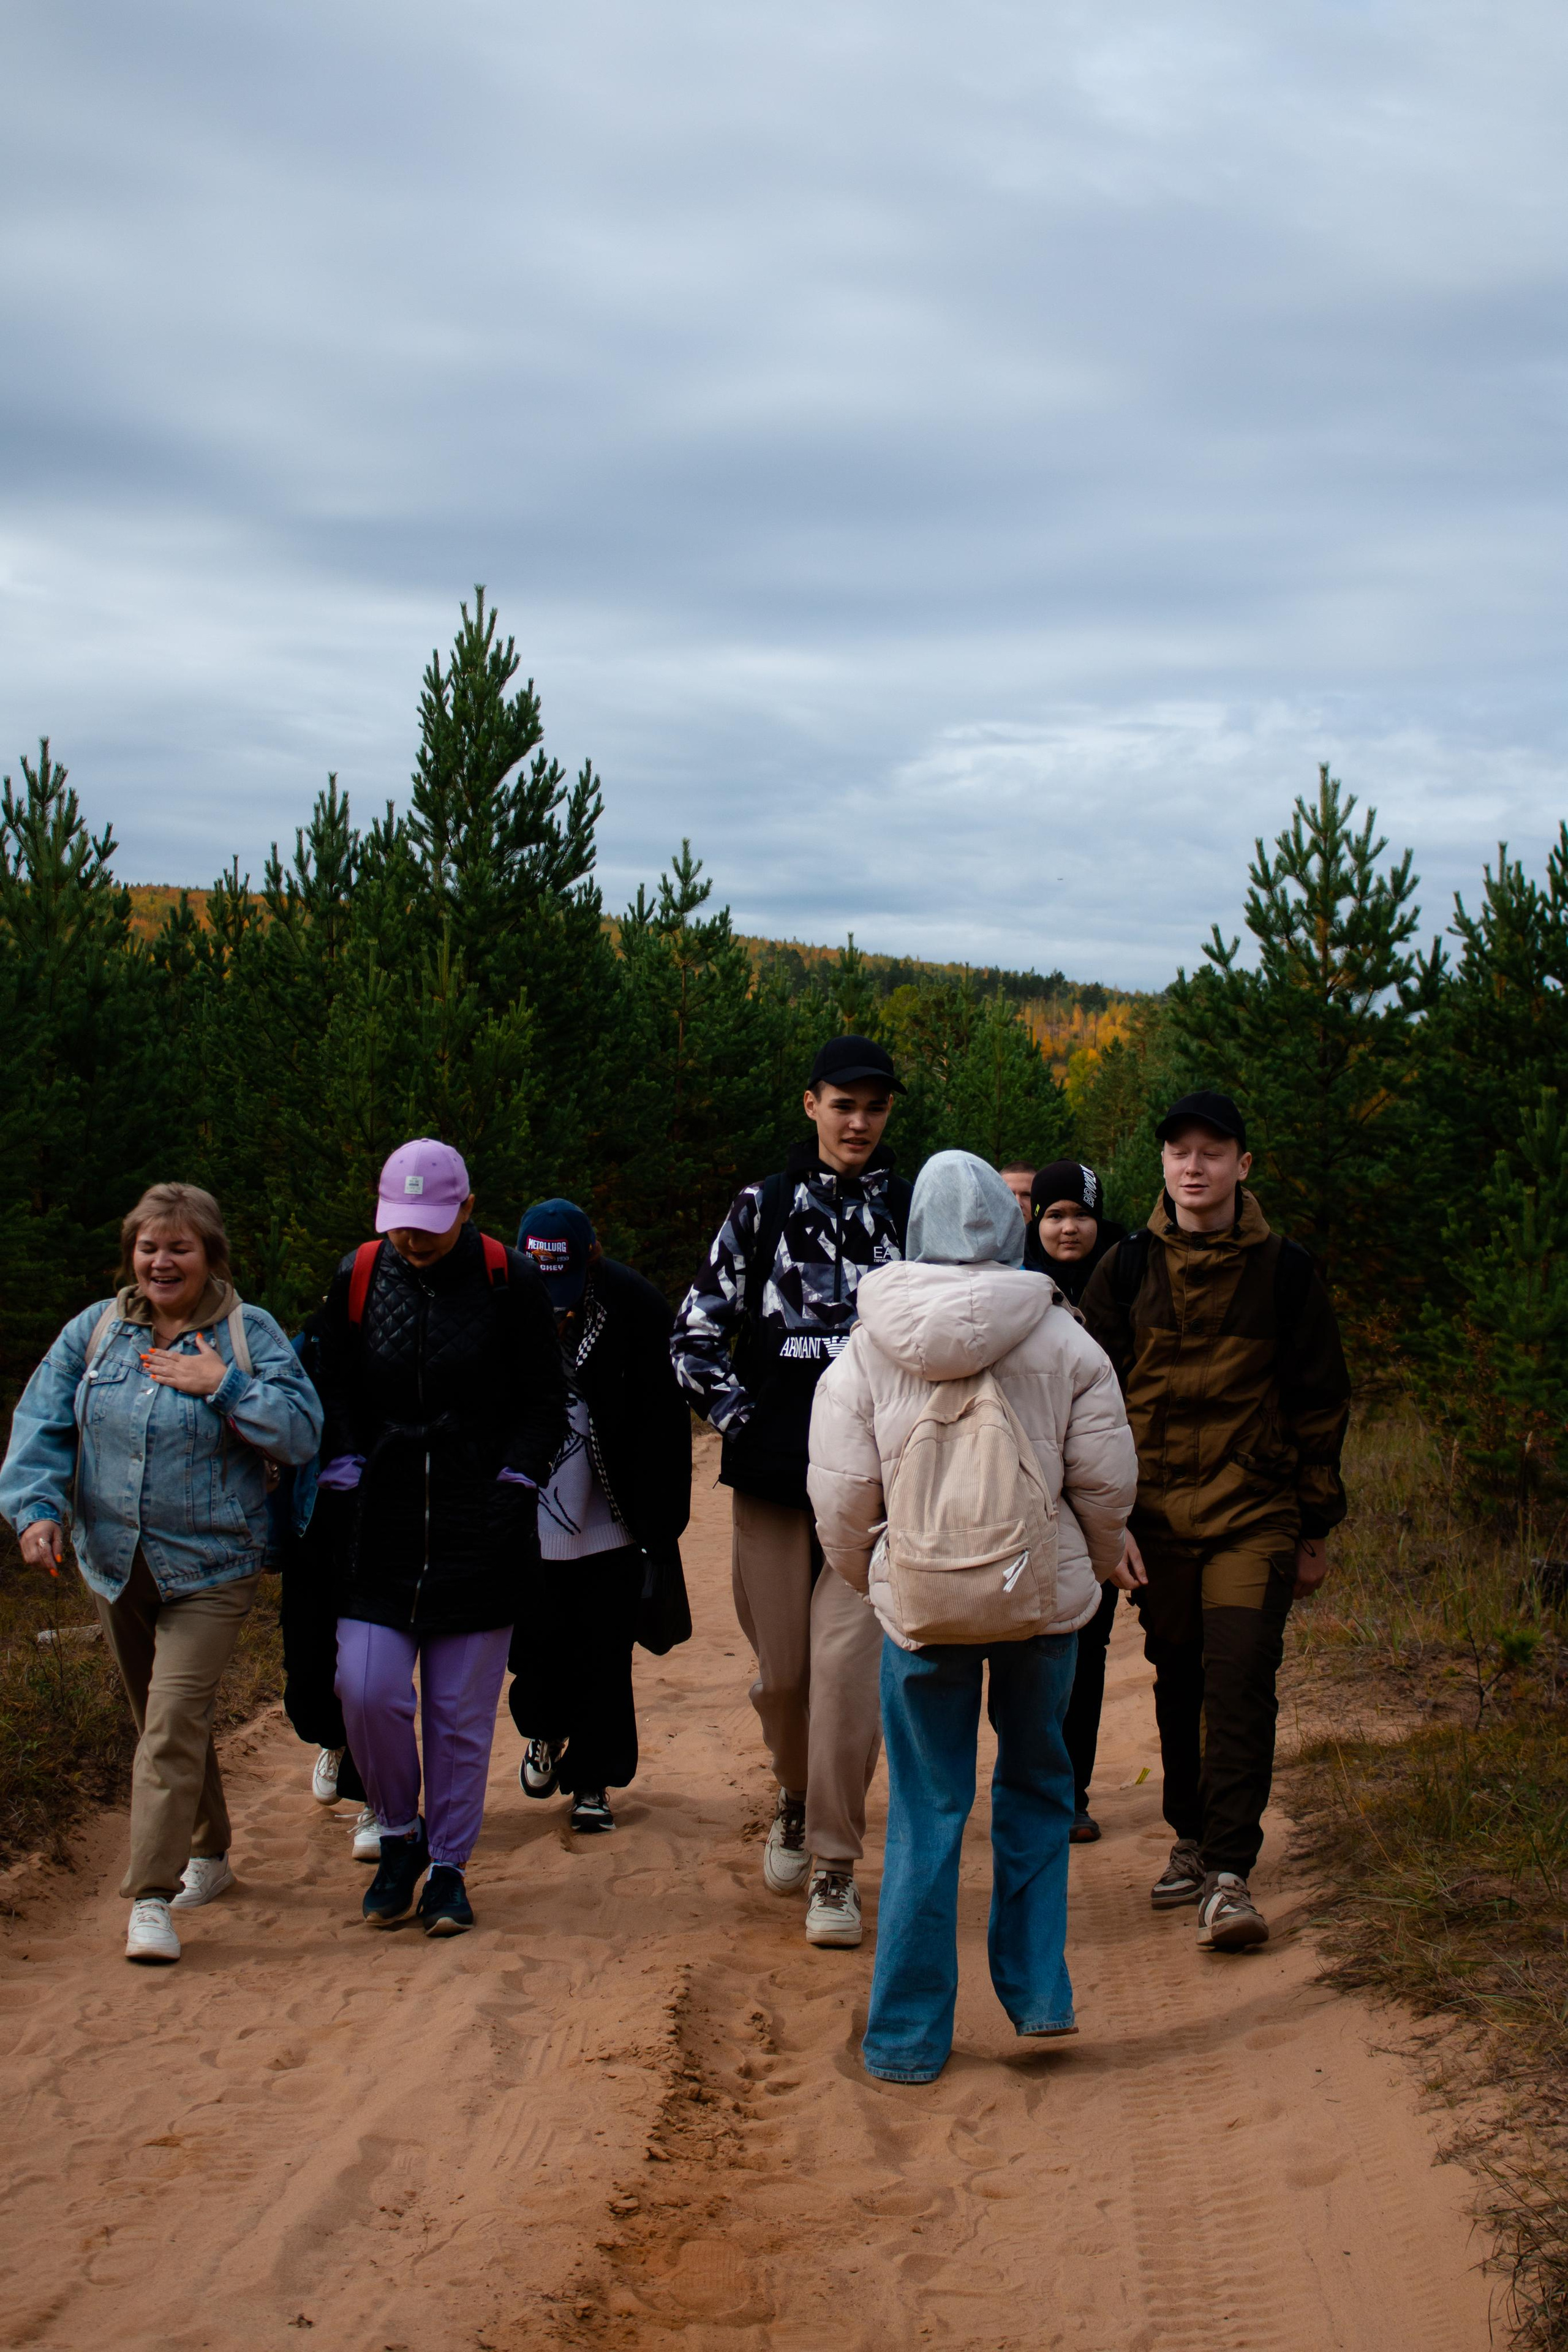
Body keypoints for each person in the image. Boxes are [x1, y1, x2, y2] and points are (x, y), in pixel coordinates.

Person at [808, 1151, 1137, 2082]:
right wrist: (1096, 1571)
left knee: (926, 1807)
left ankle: (907, 2038)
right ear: (1008, 1224)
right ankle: (1037, 1998)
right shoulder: (1065, 1337)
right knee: (1037, 1789)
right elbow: (1108, 1485)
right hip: (1040, 1607)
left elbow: (839, 1500)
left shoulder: (869, 1343)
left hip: (922, 1607)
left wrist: (878, 1579)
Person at [0, 1183, 323, 1964]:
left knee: (171, 1725)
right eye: (149, 1247)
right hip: (115, 1566)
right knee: (162, 1724)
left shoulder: (249, 1334)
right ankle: (209, 1854)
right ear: (131, 1254)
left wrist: (226, 1386)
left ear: (211, 1254)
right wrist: (37, 1511)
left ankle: (150, 1896)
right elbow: (41, 1425)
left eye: (179, 1247)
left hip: (213, 1565)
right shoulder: (98, 1331)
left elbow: (303, 1431)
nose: (161, 1261)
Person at [1081, 1090, 1351, 1953]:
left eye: (1212, 1151)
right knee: (1181, 1674)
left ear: (1242, 1164)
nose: (1193, 1167)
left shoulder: (1286, 1271)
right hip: (1155, 1517)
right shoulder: (1125, 1269)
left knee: (1240, 1677)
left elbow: (1320, 1403)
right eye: (1178, 1152)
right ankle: (1192, 1840)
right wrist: (1105, 1520)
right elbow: (1084, 1402)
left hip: (1254, 1514)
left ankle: (1231, 1874)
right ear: (1162, 1165)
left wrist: (1313, 1528)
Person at [671, 1034, 911, 1950]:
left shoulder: (910, 1211)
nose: (859, 1121)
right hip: (774, 1489)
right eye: (843, 1104)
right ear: (810, 1105)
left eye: (875, 1107)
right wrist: (748, 1422)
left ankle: (837, 1870)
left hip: (882, 1495)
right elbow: (691, 1337)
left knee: (849, 1681)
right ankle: (798, 1796)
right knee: (786, 1681)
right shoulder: (761, 1208)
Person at [313, 1139, 566, 1937]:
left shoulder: (509, 1280)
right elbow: (330, 1380)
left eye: (429, 1225)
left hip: (478, 1527)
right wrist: (346, 1460)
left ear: (464, 1208)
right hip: (378, 1525)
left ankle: (449, 1868)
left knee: (459, 1717)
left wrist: (515, 1482)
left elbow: (543, 1401)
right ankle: (398, 1835)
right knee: (366, 1687)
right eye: (399, 1226)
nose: (412, 1242)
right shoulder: (357, 1277)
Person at [508, 1198, 692, 1833]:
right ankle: (543, 1732)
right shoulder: (500, 1301)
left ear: (591, 1254)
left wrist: (661, 1529)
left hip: (612, 1517)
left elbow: (667, 1427)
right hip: (529, 1521)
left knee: (604, 1654)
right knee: (535, 1652)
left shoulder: (635, 1307)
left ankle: (593, 1780)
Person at [1025, 1160, 1129, 1842]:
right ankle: (1028, 1781)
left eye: (1080, 1214)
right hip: (1030, 1500)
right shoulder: (1014, 1286)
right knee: (1027, 1653)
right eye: (1054, 1214)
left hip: (1100, 1496)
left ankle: (1071, 1793)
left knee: (1086, 1648)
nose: (1068, 1228)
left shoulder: (1125, 1280)